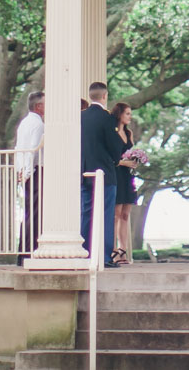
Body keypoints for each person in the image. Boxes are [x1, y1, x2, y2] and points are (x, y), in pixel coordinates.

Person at [80, 82, 125, 267]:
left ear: (90, 96)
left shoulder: (80, 116)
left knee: (87, 213)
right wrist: (115, 160)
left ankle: (84, 253)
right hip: (104, 173)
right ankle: (104, 257)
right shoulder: (107, 118)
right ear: (104, 96)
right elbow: (115, 147)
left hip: (84, 171)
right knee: (106, 215)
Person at [13, 92, 45, 265]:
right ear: (39, 106)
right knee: (34, 213)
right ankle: (29, 252)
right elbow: (33, 149)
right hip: (35, 170)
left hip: (27, 171)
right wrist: (26, 172)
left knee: (29, 212)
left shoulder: (25, 122)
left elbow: (19, 148)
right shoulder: (38, 124)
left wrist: (20, 170)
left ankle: (24, 252)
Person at [111, 102, 139, 266]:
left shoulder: (129, 133)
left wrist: (135, 160)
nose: (130, 116)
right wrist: (122, 162)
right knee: (116, 214)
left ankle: (123, 249)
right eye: (127, 113)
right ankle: (113, 250)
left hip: (127, 175)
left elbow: (131, 151)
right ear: (120, 114)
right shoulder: (112, 132)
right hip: (116, 172)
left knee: (125, 214)